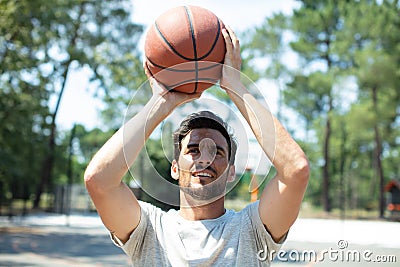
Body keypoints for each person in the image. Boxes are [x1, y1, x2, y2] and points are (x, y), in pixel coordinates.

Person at [84, 26, 310, 266]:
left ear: (232, 171)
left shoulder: (252, 230)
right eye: (193, 149)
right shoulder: (150, 229)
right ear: (173, 168)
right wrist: (159, 103)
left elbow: (295, 170)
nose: (204, 158)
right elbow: (99, 180)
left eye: (217, 151)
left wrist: (235, 85)